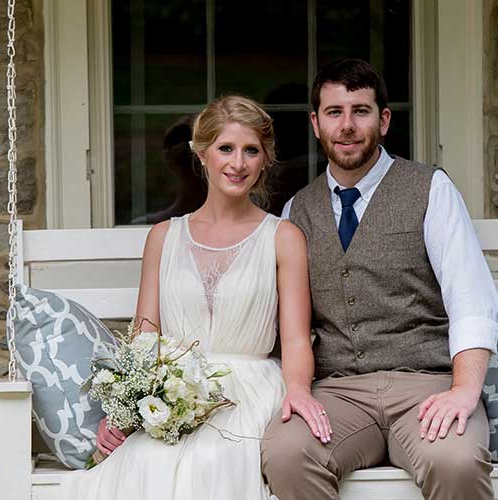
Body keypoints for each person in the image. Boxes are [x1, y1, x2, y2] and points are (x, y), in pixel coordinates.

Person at [57, 95, 329, 500]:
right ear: (201, 154)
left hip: (249, 393)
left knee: (216, 460)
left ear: (265, 159)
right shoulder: (164, 238)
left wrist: (299, 391)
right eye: (226, 149)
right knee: (148, 461)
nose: (238, 163)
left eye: (251, 150)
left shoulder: (282, 238)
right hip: (172, 390)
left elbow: (294, 338)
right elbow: (145, 338)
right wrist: (124, 412)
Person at [260, 59, 498, 500]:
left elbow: (472, 299)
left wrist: (464, 392)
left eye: (361, 110)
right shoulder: (296, 211)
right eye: (334, 112)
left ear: (384, 119)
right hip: (338, 393)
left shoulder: (430, 189)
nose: (347, 125)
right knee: (286, 455)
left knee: (456, 463)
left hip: (426, 387)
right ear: (316, 123)